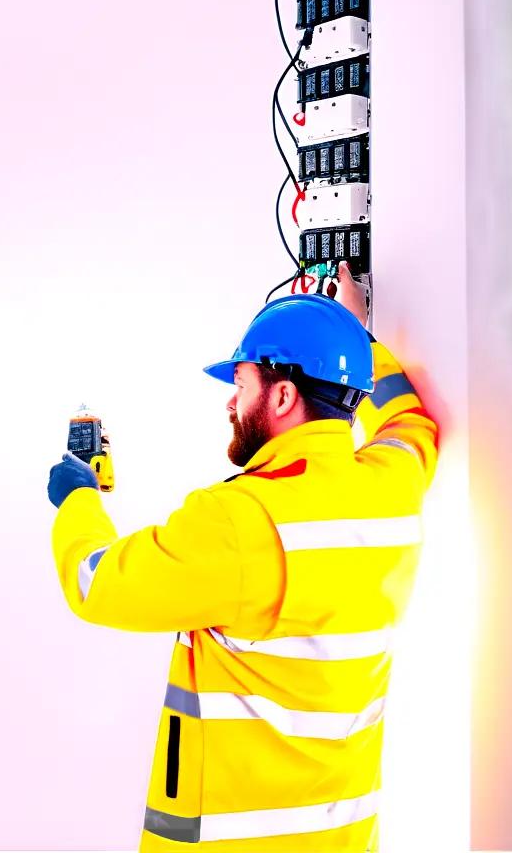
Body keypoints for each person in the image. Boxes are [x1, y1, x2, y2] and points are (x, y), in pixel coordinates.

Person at [47, 261, 439, 852]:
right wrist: (357, 337)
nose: (231, 403)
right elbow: (409, 421)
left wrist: (78, 499)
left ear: (282, 394)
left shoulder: (240, 522)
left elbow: (97, 584)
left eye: (242, 384)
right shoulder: (392, 488)